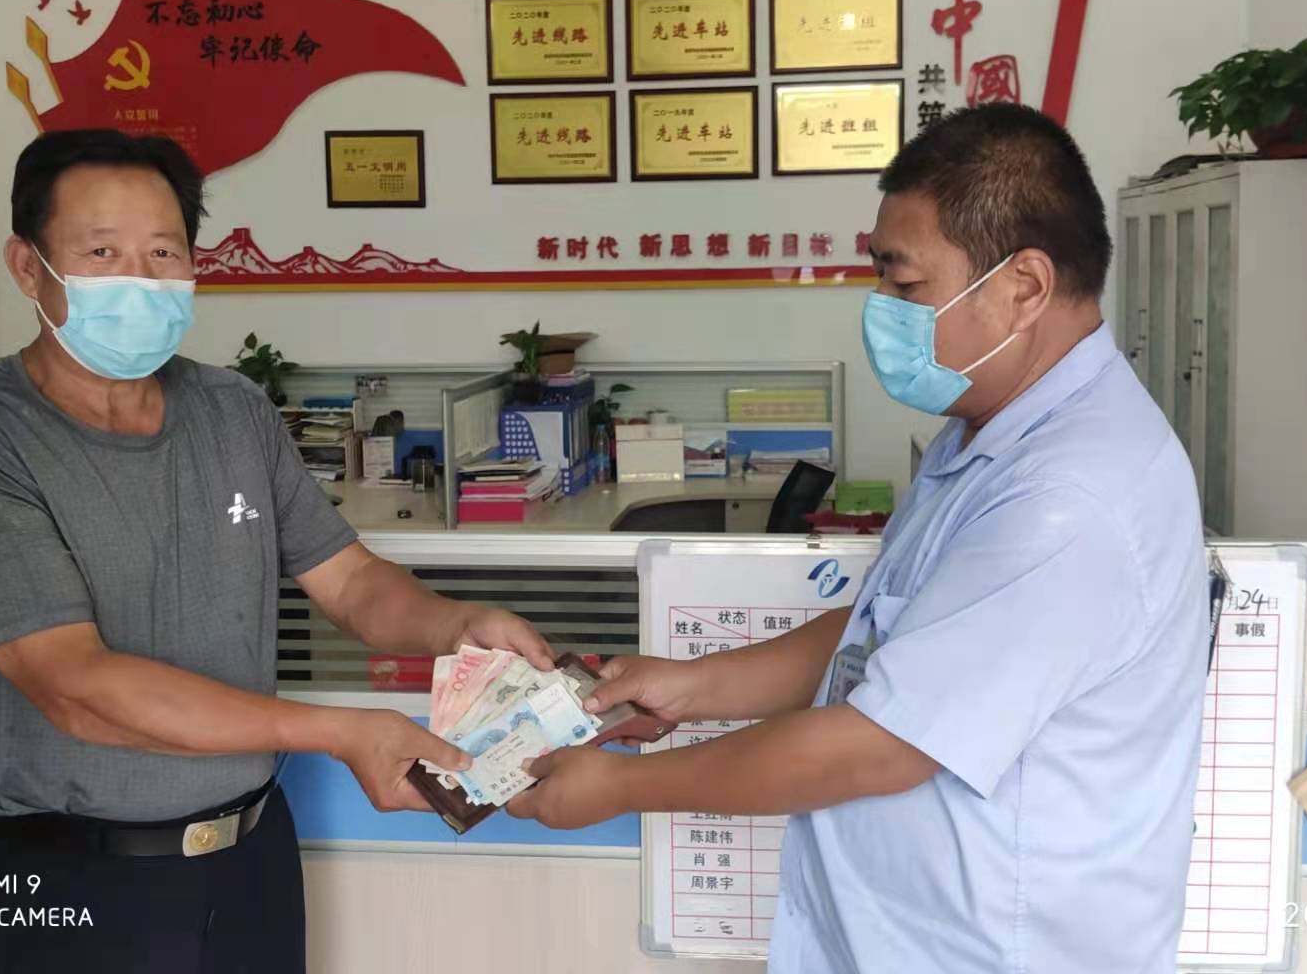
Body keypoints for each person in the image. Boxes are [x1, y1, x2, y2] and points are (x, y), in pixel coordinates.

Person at [508, 103, 1209, 973]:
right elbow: (892, 627)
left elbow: (881, 744)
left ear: (1024, 287)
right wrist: (692, 687)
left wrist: (620, 787)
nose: (882, 311)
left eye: (905, 287)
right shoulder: (989, 429)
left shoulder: (1070, 499)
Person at [0, 129, 552, 973]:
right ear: (28, 267)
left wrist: (455, 625)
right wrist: (340, 732)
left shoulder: (231, 410)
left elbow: (350, 580)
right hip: (70, 878)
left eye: (163, 252)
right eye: (101, 253)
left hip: (250, 863)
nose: (140, 279)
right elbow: (79, 691)